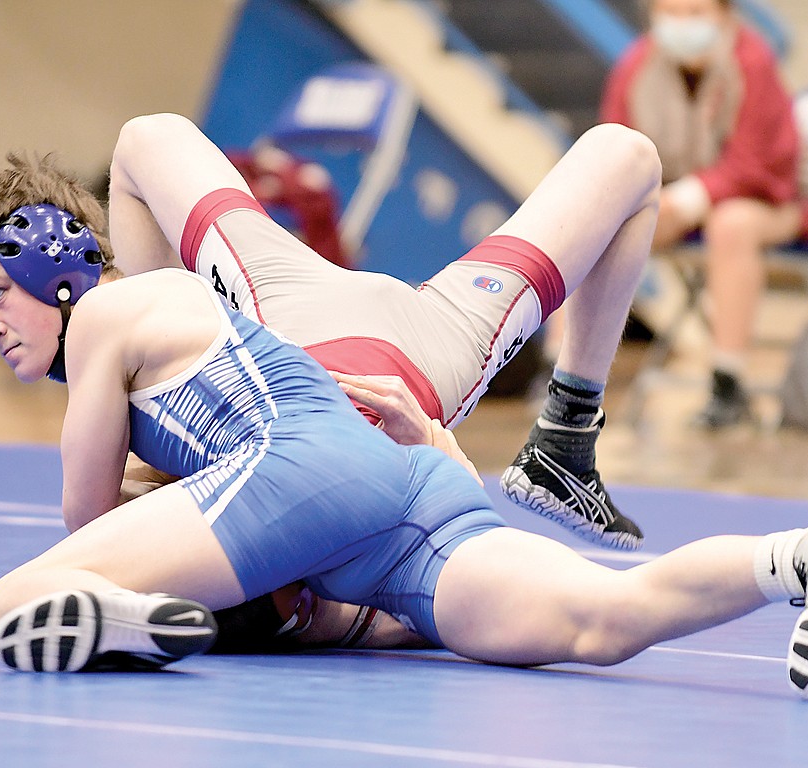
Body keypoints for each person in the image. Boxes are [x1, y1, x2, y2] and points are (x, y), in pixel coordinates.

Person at [0, 206, 808, 700]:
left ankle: (149, 625)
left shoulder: (106, 319)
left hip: (297, 470)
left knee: (12, 598)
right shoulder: (168, 311)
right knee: (603, 614)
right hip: (401, 485)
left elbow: (87, 517)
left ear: (52, 263)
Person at [106, 114, 657, 551]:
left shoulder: (219, 495)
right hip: (426, 352)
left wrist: (152, 454)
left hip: (285, 319)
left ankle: (167, 400)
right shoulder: (336, 548)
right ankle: (567, 439)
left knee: (144, 139)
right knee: (629, 158)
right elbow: (461, 538)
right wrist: (443, 454)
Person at [601, 0, 808, 427]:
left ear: (725, 14)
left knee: (731, 224)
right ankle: (560, 377)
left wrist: (686, 200)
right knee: (599, 224)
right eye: (670, 12)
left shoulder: (752, 61)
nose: (681, 24)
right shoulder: (635, 66)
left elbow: (755, 170)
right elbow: (614, 152)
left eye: (695, 13)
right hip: (686, 198)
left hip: (780, 198)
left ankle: (728, 383)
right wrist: (648, 201)